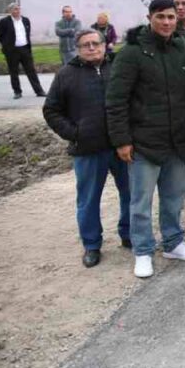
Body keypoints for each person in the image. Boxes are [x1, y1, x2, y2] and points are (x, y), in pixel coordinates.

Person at [106, 0, 185, 278]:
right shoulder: (132, 53)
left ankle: (173, 242)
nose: (167, 22)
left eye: (171, 17)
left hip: (176, 141)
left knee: (174, 197)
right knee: (141, 203)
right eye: (161, 17)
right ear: (150, 18)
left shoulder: (180, 48)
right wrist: (121, 140)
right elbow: (116, 99)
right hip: (143, 143)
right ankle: (143, 251)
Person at [43, 28, 129, 268]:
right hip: (88, 150)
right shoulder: (66, 75)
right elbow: (51, 110)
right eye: (85, 45)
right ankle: (92, 245)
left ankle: (129, 234)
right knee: (89, 200)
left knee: (131, 194)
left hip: (121, 145)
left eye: (95, 43)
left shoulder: (119, 68)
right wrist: (74, 133)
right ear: (78, 49)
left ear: (105, 45)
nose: (91, 48)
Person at [0, 2, 46, 99]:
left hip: (25, 49)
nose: (18, 11)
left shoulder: (26, 20)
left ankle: (39, 91)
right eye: (15, 9)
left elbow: (27, 34)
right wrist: (7, 46)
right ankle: (17, 92)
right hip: (12, 51)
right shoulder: (4, 21)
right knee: (14, 72)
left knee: (31, 71)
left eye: (18, 9)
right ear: (10, 11)